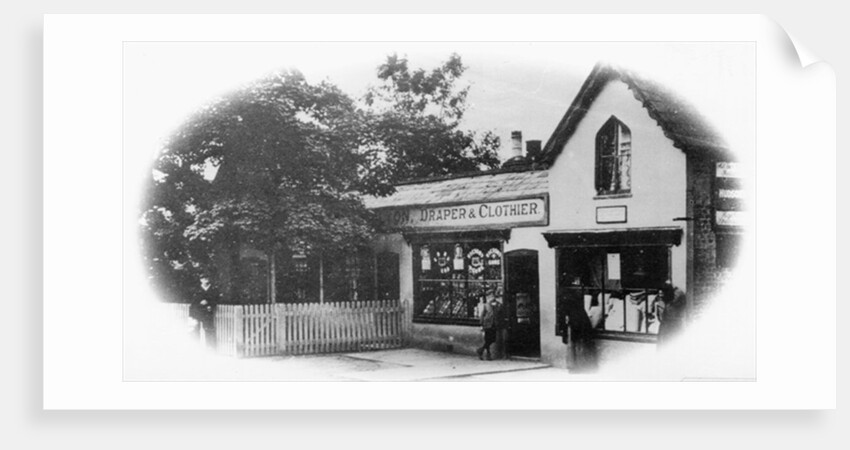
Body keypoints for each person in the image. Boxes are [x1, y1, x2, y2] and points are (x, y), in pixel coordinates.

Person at [562, 295, 598, 373]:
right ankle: (577, 366)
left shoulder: (574, 315)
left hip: (577, 334)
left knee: (577, 348)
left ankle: (577, 366)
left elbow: (575, 327)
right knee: (577, 348)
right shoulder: (579, 313)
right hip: (578, 334)